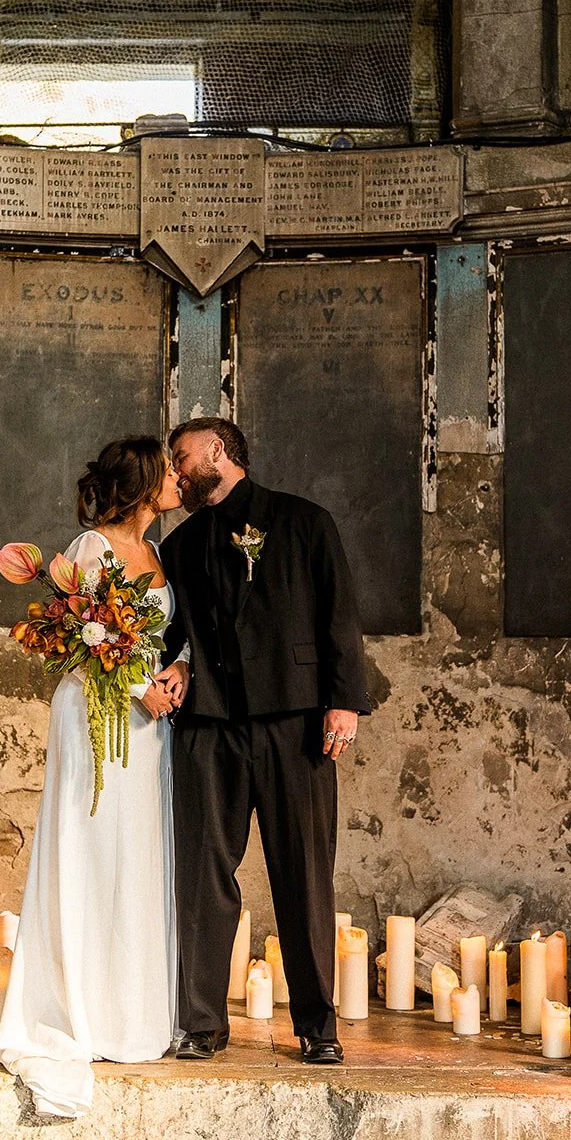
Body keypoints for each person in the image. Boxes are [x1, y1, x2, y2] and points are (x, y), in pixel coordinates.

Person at [155, 417, 368, 1065]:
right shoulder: (182, 544)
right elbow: (171, 634)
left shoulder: (303, 521)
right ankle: (199, 1022)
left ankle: (316, 1027)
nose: (176, 469)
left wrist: (343, 702)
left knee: (302, 876)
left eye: (182, 457)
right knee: (200, 878)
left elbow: (339, 612)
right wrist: (167, 669)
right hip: (207, 730)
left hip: (294, 722)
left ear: (218, 451)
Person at [0, 436, 184, 1115]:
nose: (178, 480)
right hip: (99, 719)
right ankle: (78, 1009)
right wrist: (138, 689)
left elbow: (170, 635)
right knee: (91, 849)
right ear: (142, 484)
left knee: (135, 859)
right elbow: (85, 643)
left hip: (149, 728)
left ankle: (130, 1015)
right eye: (168, 472)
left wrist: (176, 672)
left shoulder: (159, 554)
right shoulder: (91, 550)